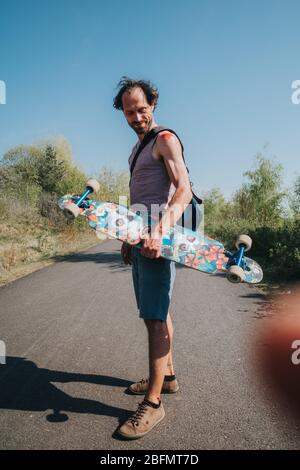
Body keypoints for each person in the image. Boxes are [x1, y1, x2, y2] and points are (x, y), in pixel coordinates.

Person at [113, 77, 192, 439]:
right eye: (130, 111)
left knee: (155, 317)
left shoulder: (164, 139)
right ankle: (169, 376)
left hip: (159, 241)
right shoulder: (136, 150)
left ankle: (154, 403)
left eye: (142, 109)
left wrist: (159, 231)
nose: (136, 116)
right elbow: (139, 199)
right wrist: (130, 237)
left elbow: (184, 190)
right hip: (140, 239)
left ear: (153, 105)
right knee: (154, 312)